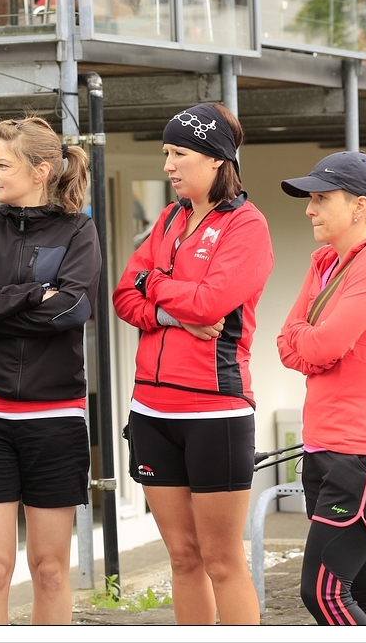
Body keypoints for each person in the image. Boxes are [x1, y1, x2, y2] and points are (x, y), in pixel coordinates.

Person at [113, 103, 273, 625]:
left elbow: (209, 304)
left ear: (216, 158)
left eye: (179, 153)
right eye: (166, 153)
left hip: (215, 411)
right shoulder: (168, 218)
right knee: (183, 558)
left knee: (222, 560)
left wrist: (153, 284)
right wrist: (170, 310)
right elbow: (123, 298)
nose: (168, 166)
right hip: (150, 410)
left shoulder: (247, 225)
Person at [0, 116, 100, 625]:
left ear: (40, 171)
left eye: (2, 165)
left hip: (55, 417)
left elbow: (72, 310)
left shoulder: (78, 230)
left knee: (50, 571)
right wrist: (32, 295)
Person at [278, 150, 366, 626]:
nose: (309, 209)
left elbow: (323, 345)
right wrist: (311, 344)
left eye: (321, 198)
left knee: (323, 593)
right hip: (325, 445)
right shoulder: (324, 261)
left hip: (364, 451)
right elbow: (287, 344)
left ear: (360, 206)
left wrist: (311, 344)